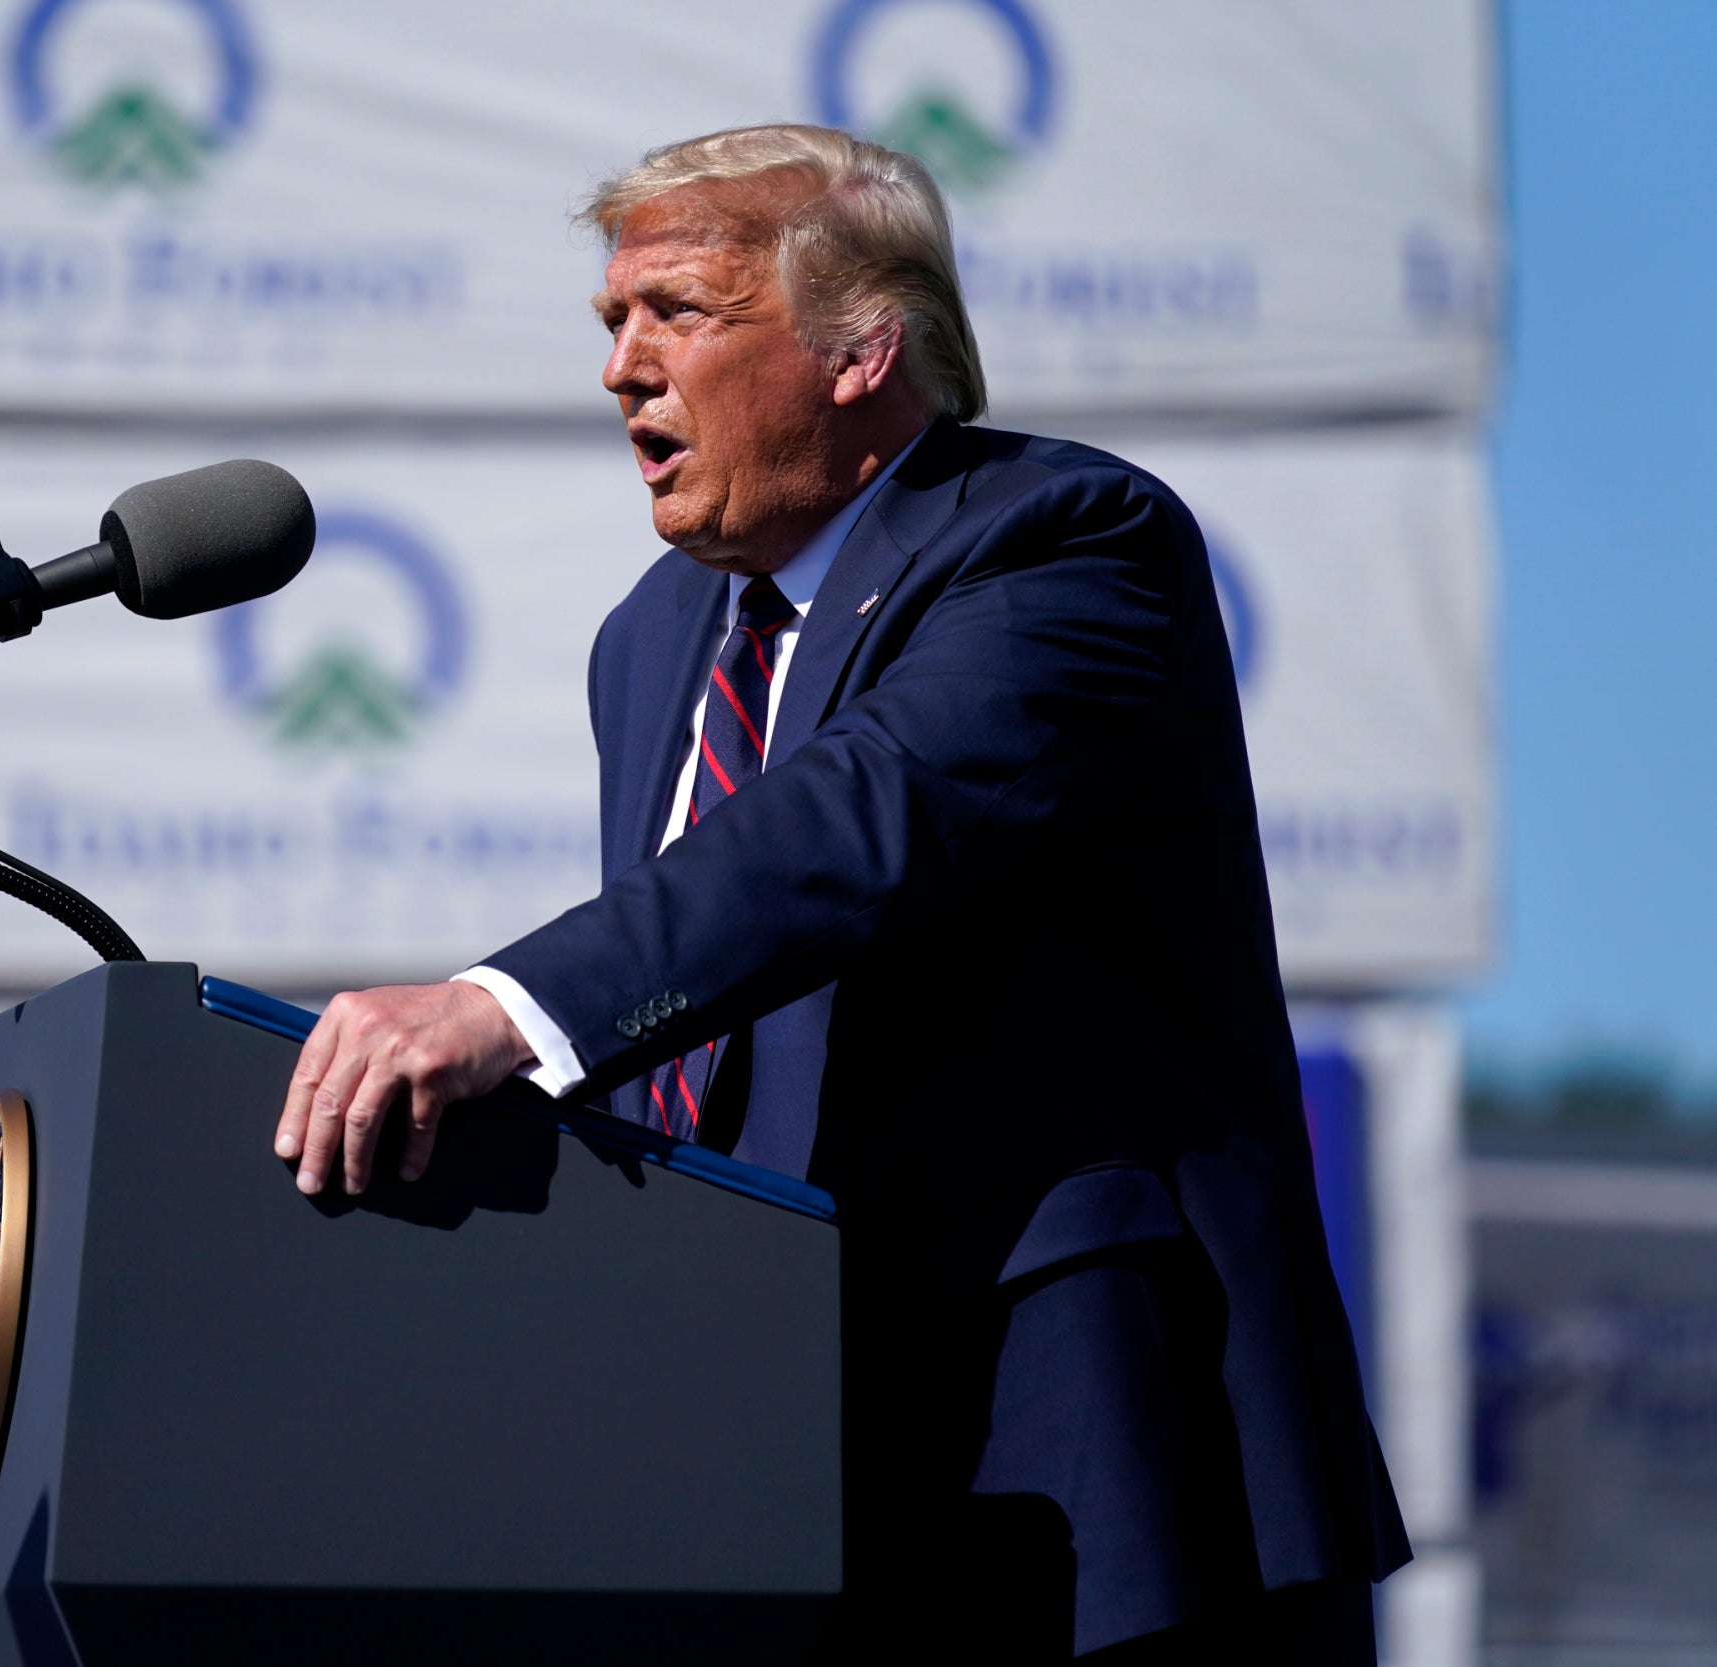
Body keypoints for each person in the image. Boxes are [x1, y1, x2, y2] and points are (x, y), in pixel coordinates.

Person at [272, 124, 1408, 1662]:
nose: (623, 368)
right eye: (611, 323)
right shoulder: (655, 639)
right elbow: (699, 1050)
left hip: (1088, 1449)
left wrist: (504, 1010)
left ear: (862, 348)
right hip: (786, 1472)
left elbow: (860, 822)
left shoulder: (1065, 542)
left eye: (676, 311)